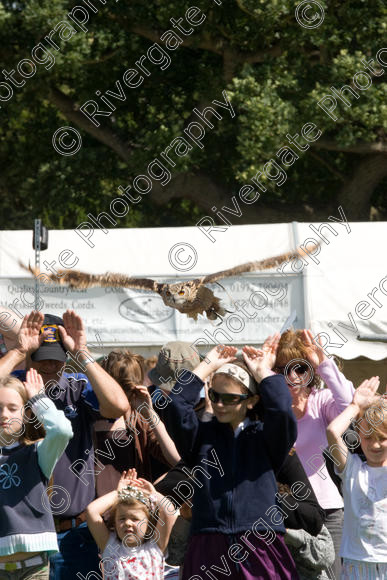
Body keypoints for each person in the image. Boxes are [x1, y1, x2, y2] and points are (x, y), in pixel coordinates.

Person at [0, 310, 129, 580]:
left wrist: (82, 352)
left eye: (56, 360)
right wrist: (17, 351)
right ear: (30, 356)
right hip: (16, 539)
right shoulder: (15, 390)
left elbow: (119, 405)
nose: (49, 367)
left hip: (73, 534)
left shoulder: (76, 387)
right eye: (42, 359)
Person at [165, 336, 300, 579]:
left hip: (259, 539)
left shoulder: (267, 439)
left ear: (252, 401)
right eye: (215, 396)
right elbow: (175, 404)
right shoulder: (200, 436)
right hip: (208, 541)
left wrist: (262, 372)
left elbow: (281, 408)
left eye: (229, 398)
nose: (219, 404)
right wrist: (208, 364)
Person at [275, 329, 355, 578]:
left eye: (300, 368)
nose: (293, 376)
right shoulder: (268, 409)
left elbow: (349, 403)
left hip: (329, 511)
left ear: (310, 370)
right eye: (283, 369)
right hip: (287, 513)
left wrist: (324, 364)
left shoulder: (321, 401)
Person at [0, 370, 72, 580]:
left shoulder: (38, 452)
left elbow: (61, 430)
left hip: (35, 567)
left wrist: (39, 400)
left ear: (28, 413)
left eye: (13, 409)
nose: (4, 415)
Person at [94, 350, 180, 496]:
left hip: (131, 510)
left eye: (127, 388)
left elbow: (176, 460)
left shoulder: (139, 420)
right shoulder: (88, 414)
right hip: (93, 510)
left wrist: (149, 413)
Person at [327, 377, 387, 579]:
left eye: (382, 438)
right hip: (355, 564)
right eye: (368, 437)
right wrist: (355, 405)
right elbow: (333, 431)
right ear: (359, 436)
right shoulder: (352, 469)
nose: (375, 445)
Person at [85, 468, 177, 579]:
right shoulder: (111, 546)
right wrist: (118, 493)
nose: (128, 523)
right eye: (122, 519)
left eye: (135, 519)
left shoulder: (155, 547)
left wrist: (153, 494)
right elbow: (91, 511)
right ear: (114, 523)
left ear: (149, 525)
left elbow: (169, 511)